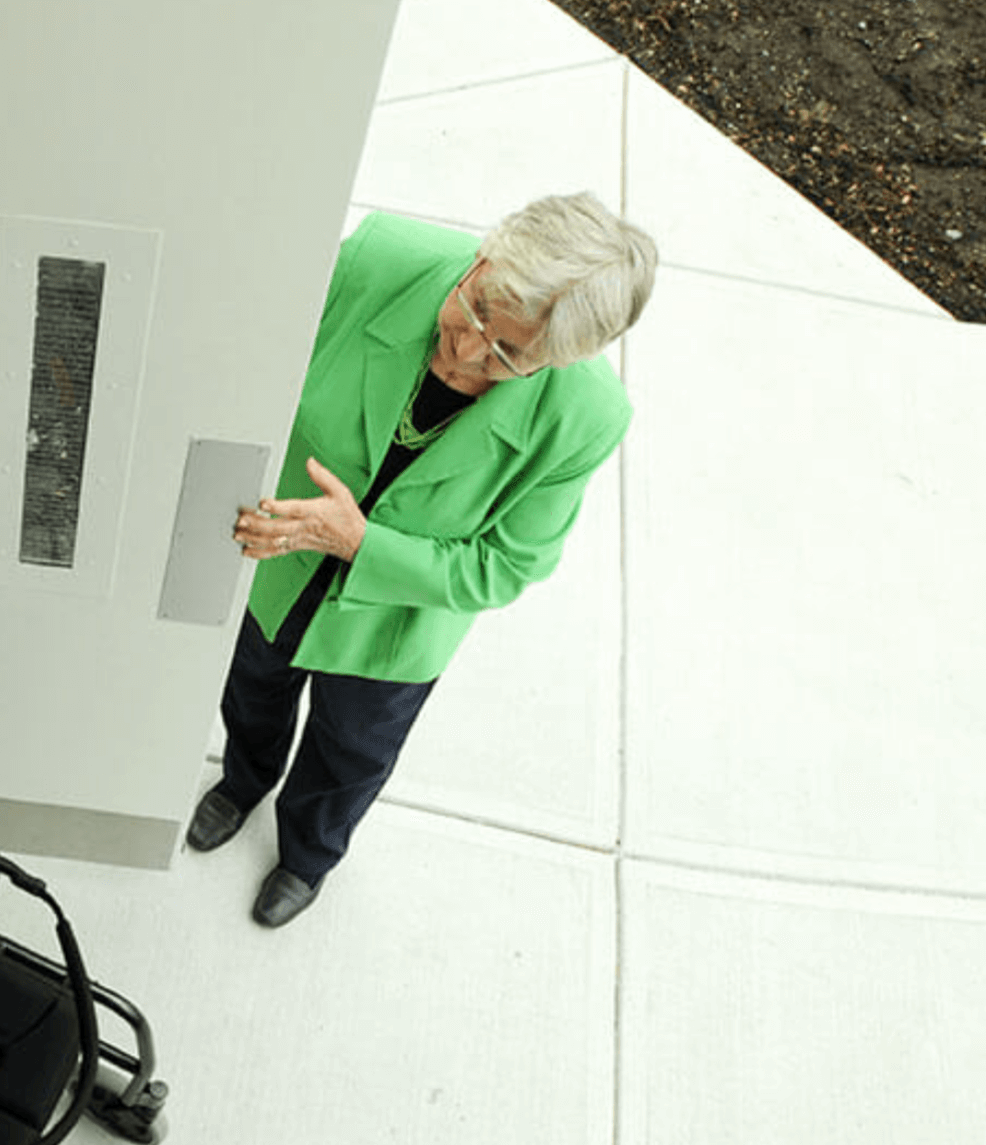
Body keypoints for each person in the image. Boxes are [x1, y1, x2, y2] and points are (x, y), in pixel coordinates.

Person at [189, 193, 657, 928]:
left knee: (350, 752)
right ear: (482, 258)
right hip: (275, 557)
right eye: (475, 310)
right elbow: (250, 369)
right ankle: (242, 783)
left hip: (397, 623)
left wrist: (360, 544)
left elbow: (503, 567)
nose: (468, 352)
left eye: (509, 356)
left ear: (559, 362)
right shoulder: (376, 259)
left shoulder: (587, 417)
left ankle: (307, 856)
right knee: (251, 689)